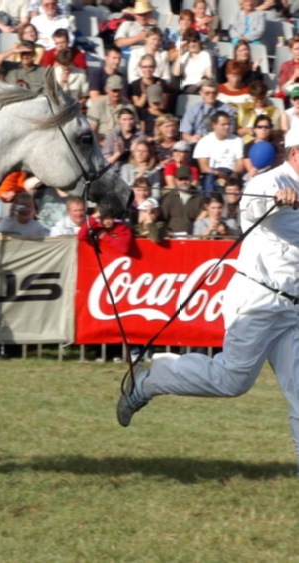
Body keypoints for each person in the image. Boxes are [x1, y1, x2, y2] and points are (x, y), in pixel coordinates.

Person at [117, 127, 299, 477]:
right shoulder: (271, 182)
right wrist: (279, 198)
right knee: (232, 381)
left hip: (292, 309)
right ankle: (151, 379)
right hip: (258, 300)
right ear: (294, 154)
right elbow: (250, 205)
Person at [194, 111, 245, 195]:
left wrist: (233, 174)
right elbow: (204, 167)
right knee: (209, 179)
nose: (227, 127)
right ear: (214, 126)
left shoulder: (237, 141)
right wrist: (217, 173)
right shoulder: (204, 141)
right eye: (223, 124)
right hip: (213, 174)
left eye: (229, 124)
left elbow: (240, 165)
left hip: (231, 173)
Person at [87, 75, 136, 141]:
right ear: (106, 89)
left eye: (118, 90)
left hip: (124, 141)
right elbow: (91, 130)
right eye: (113, 90)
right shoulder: (97, 105)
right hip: (103, 140)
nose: (116, 94)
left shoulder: (128, 106)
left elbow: (136, 127)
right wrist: (101, 143)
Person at [158, 166, 204, 235]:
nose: (184, 182)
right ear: (176, 180)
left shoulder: (200, 198)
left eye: (186, 179)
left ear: (191, 179)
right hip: (172, 235)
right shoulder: (169, 197)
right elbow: (162, 219)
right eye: (181, 179)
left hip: (192, 236)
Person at [172, 28, 212, 94]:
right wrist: (180, 53)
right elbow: (176, 73)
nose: (192, 44)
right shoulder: (184, 56)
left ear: (199, 41)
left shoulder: (205, 55)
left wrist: (197, 85)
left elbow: (209, 76)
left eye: (194, 41)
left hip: (201, 87)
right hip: (186, 88)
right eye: (188, 42)